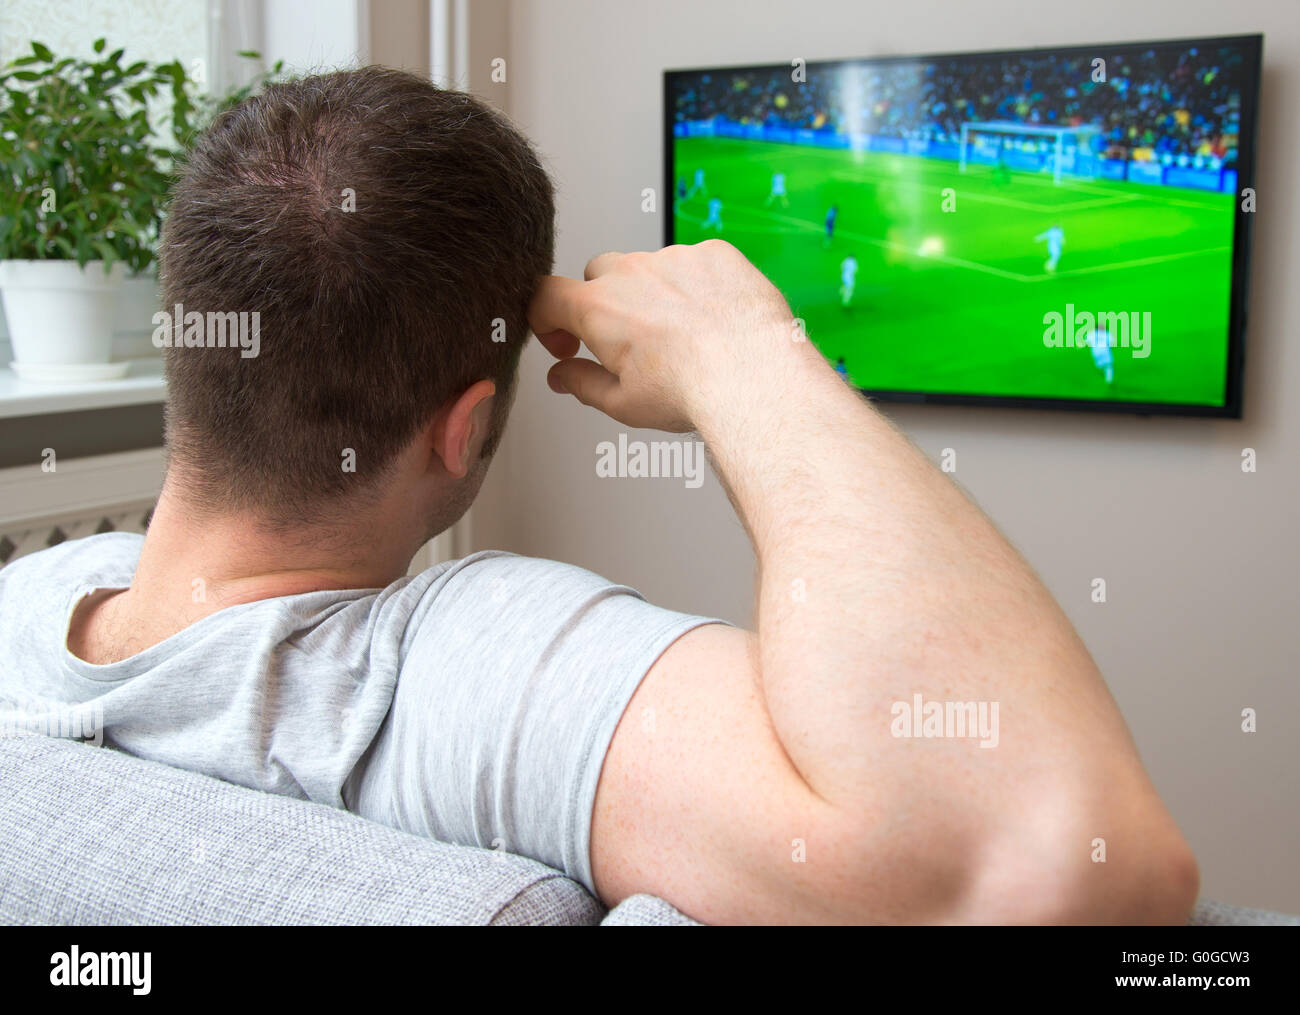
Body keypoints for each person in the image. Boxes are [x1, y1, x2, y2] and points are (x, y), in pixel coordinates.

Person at [0, 67, 1198, 925]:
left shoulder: (27, 603)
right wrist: (747, 356)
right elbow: (1057, 865)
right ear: (466, 429)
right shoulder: (465, 671)